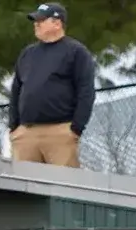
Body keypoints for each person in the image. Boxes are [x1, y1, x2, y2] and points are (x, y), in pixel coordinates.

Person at [9, 4, 95, 168]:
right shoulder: (27, 53)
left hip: (60, 132)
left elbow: (86, 92)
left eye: (41, 20)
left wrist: (75, 128)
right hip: (26, 133)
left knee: (63, 188)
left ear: (57, 23)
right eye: (35, 20)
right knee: (26, 189)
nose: (36, 24)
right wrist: (14, 127)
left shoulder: (76, 52)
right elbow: (16, 90)